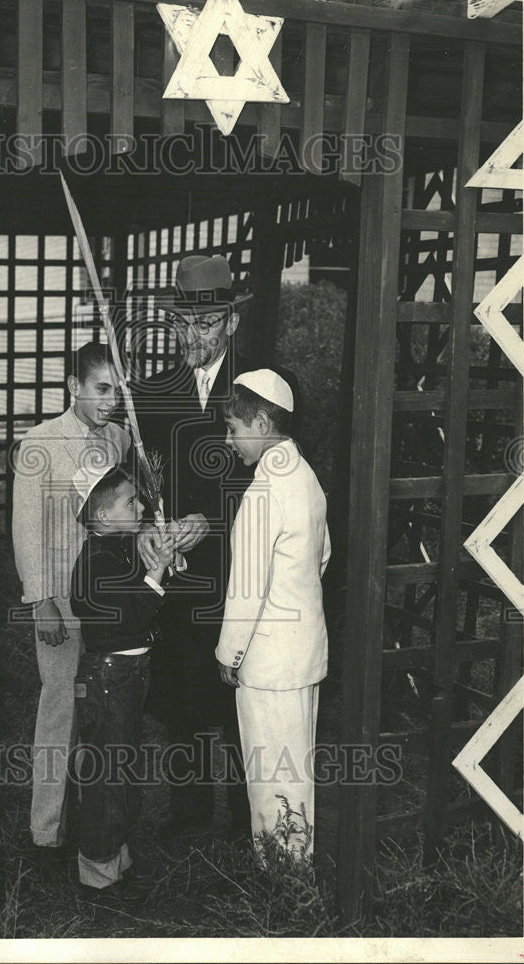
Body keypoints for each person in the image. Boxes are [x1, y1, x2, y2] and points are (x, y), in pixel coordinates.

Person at [132, 254, 253, 836]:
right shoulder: (155, 392)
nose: (192, 336)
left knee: (236, 698)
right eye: (182, 324)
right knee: (182, 696)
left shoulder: (262, 389)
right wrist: (147, 529)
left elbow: (272, 480)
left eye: (205, 325)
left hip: (239, 575)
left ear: (231, 321)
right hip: (178, 579)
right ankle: (188, 816)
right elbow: (139, 473)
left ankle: (245, 822)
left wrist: (212, 519)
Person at [11, 342, 130, 869]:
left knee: (105, 713)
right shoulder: (40, 443)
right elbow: (25, 530)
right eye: (102, 389)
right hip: (59, 598)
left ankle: (95, 825)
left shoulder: (122, 441)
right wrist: (41, 601)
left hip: (108, 601)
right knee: (60, 706)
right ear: (73, 388)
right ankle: (46, 830)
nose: (111, 401)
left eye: (118, 391)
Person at [216, 368, 331, 858]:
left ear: (262, 424)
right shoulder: (306, 478)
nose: (229, 440)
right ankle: (295, 874)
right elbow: (323, 554)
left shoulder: (262, 494)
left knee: (269, 781)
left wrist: (228, 654)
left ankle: (282, 888)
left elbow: (246, 591)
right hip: (304, 655)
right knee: (296, 772)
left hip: (267, 666)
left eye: (234, 428)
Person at [70, 464, 176, 902]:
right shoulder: (96, 560)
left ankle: (115, 857)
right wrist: (156, 575)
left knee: (121, 767)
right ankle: (97, 870)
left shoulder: (115, 549)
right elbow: (127, 612)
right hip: (109, 678)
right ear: (103, 516)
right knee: (107, 775)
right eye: (131, 502)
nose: (143, 506)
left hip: (125, 677)